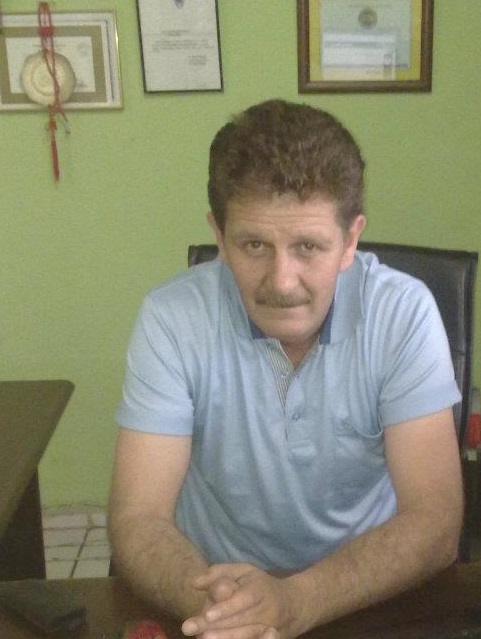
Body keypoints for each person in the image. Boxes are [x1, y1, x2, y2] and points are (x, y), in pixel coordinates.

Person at [108, 99, 463, 639]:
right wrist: (229, 612)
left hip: (363, 596)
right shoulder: (171, 318)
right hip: (212, 597)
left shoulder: (403, 314)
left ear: (350, 241)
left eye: (308, 246)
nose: (282, 280)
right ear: (219, 236)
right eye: (254, 244)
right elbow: (138, 517)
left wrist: (296, 601)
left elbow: (435, 520)